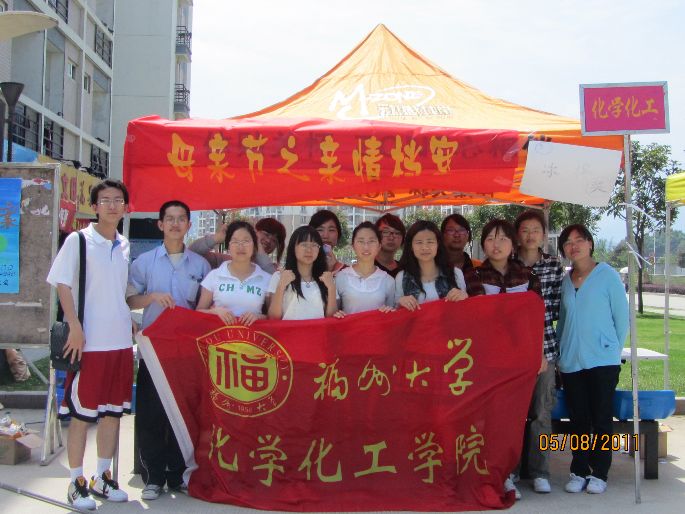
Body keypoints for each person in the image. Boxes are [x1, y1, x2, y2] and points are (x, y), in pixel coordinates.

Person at [46, 179, 133, 510]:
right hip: (89, 344)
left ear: (126, 207)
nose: (112, 205)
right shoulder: (79, 240)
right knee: (82, 416)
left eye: (118, 200)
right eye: (105, 200)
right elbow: (62, 284)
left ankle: (102, 477)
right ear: (94, 207)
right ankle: (76, 482)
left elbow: (120, 292)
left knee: (112, 413)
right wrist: (75, 326)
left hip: (120, 343)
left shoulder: (124, 244)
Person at [126, 200, 210, 500]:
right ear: (160, 224)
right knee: (151, 414)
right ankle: (153, 477)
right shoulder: (144, 262)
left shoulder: (200, 266)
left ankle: (177, 474)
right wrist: (151, 297)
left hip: (187, 353)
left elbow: (204, 307)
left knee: (183, 414)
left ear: (189, 225)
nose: (175, 224)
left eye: (181, 219)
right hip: (153, 351)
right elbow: (130, 299)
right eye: (170, 219)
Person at [463, 218, 542, 501]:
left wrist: (538, 353)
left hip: (518, 361)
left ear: (513, 244)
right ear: (482, 244)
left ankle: (507, 473)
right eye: (490, 239)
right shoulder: (473, 275)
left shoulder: (528, 276)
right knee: (486, 419)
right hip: (485, 359)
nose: (496, 245)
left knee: (512, 418)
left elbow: (537, 319)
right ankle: (487, 473)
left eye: (502, 239)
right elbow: (476, 316)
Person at [557, 224, 628, 495]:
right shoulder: (566, 280)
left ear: (590, 243)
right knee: (578, 419)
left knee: (601, 419)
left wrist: (611, 350)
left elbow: (621, 319)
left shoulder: (607, 275)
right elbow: (563, 321)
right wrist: (560, 353)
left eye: (579, 240)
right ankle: (579, 470)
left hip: (603, 361)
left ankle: (599, 472)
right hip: (572, 361)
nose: (573, 246)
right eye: (568, 242)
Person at [514, 210, 564, 494]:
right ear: (517, 234)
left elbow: (555, 308)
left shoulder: (553, 265)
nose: (530, 235)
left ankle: (540, 471)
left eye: (536, 230)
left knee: (541, 413)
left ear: (544, 235)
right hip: (512, 352)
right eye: (525, 230)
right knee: (511, 413)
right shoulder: (508, 263)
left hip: (545, 349)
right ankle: (510, 470)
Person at [196, 221, 271, 326]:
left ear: (254, 246)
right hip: (219, 335)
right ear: (228, 246)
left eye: (246, 241)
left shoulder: (267, 279)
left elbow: (273, 318)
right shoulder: (214, 276)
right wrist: (214, 312)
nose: (240, 246)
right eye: (235, 241)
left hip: (252, 336)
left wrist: (259, 317)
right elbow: (198, 313)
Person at [395, 220, 468, 311]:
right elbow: (395, 312)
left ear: (438, 244)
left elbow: (464, 311)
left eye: (430, 242)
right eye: (419, 242)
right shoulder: (402, 277)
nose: (425, 247)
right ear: (411, 247)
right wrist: (400, 303)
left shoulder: (455, 273)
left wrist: (464, 297)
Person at [266, 226, 336, 320]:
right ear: (293, 248)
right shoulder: (279, 276)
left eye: (314, 245)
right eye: (304, 245)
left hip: (318, 330)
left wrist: (331, 288)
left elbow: (331, 318)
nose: (309, 250)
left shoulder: (326, 278)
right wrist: (281, 286)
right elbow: (273, 317)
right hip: (289, 330)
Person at [335, 222, 395, 316]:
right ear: (353, 246)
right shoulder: (341, 277)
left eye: (371, 241)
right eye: (361, 241)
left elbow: (392, 315)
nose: (366, 247)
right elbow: (334, 313)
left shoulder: (388, 280)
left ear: (379, 246)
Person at [188, 217, 285, 273]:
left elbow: (272, 280)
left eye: (274, 241)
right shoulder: (225, 261)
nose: (268, 240)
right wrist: (216, 238)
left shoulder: (272, 270)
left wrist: (258, 246)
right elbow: (191, 253)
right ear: (255, 231)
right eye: (266, 234)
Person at [309, 209, 347, 274]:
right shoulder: (300, 270)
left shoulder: (348, 273)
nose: (326, 236)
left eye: (331, 230)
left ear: (338, 234)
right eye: (320, 230)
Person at [374, 213, 405, 277]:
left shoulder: (405, 271)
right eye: (385, 232)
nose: (391, 237)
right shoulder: (368, 268)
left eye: (397, 233)